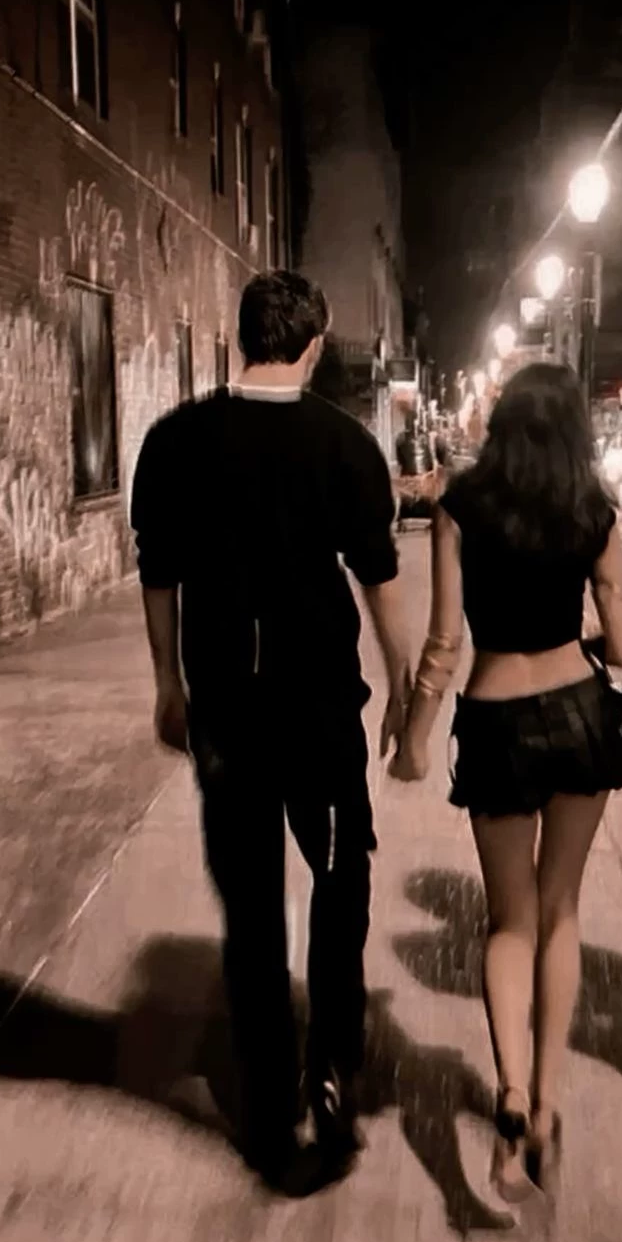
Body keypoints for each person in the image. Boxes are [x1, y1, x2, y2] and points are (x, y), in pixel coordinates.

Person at [130, 271, 412, 1191]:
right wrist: (404, 685)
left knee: (251, 905)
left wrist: (167, 684)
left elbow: (159, 573)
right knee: (339, 878)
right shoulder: (344, 445)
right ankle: (330, 1062)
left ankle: (264, 1107)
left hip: (227, 714)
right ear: (315, 345)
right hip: (318, 712)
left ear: (241, 335)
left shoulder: (175, 440)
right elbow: (377, 578)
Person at [389, 362, 622, 1202]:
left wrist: (413, 739)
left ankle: (508, 1090)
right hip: (578, 715)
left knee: (508, 921)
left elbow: (444, 642)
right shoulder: (592, 508)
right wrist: (598, 630)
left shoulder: (461, 504)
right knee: (561, 910)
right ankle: (548, 1100)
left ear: (500, 423)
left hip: (495, 721)